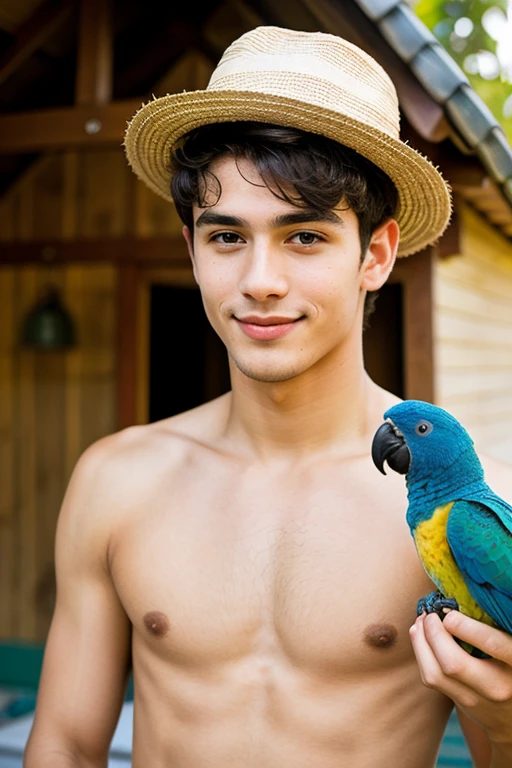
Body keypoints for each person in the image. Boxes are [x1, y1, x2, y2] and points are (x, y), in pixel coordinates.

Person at [24, 25, 512, 768]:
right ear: (191, 249)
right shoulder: (114, 481)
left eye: (304, 237)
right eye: (226, 238)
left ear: (375, 254)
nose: (260, 281)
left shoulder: (456, 517)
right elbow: (61, 745)